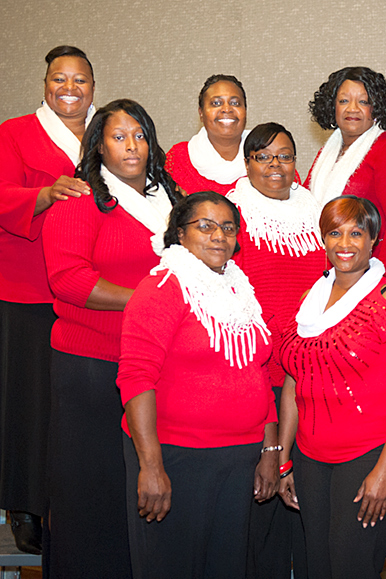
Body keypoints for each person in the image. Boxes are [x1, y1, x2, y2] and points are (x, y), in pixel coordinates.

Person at [0, 45, 95, 555]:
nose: (70, 88)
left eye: (80, 80)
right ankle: (25, 505)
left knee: (73, 399)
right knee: (27, 399)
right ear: (45, 85)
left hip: (84, 283)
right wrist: (45, 193)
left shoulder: (109, 135)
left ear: (93, 88)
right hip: (20, 281)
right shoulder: (13, 133)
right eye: (59, 78)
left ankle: (71, 500)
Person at [42, 99, 180, 578]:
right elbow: (69, 281)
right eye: (119, 136)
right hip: (91, 368)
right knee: (93, 495)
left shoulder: (171, 200)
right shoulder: (81, 199)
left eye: (140, 135)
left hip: (156, 366)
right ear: (98, 144)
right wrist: (151, 298)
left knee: (144, 490)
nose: (132, 146)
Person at [118, 192, 278, 579]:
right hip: (178, 457)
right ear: (179, 233)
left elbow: (259, 371)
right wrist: (151, 466)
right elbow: (136, 378)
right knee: (171, 567)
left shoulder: (241, 291)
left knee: (226, 568)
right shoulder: (162, 288)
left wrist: (270, 450)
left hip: (238, 458)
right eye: (204, 226)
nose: (218, 236)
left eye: (227, 228)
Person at [277, 196, 386, 579]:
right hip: (310, 457)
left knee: (350, 566)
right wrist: (284, 459)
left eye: (357, 232)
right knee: (316, 565)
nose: (345, 243)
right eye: (335, 232)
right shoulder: (309, 302)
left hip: (366, 457)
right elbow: (294, 380)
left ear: (373, 239)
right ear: (323, 240)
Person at [229, 123, 325, 579]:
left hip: (309, 372)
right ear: (247, 165)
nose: (275, 165)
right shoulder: (233, 215)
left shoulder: (317, 215)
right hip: (253, 370)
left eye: (284, 156)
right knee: (257, 496)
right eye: (263, 156)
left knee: (301, 493)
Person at [305, 66, 386, 267]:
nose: (352, 108)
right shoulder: (326, 153)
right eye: (344, 101)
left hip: (368, 272)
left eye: (363, 101)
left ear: (377, 108)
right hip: (322, 271)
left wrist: (378, 278)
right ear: (333, 107)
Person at [166, 74, 249, 195]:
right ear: (201, 113)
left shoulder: (266, 154)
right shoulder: (178, 158)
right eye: (216, 103)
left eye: (235, 103)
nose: (227, 109)